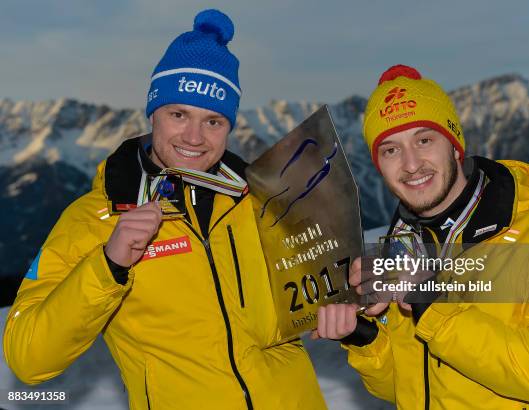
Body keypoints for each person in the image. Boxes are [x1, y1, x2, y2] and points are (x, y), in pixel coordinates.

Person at [3, 9, 326, 410]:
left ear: (229, 127)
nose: (194, 137)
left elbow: (319, 294)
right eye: (179, 115)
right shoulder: (96, 218)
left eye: (213, 121)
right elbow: (28, 357)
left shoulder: (265, 200)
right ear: (153, 113)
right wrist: (109, 265)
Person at [315, 65, 529, 409]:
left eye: (424, 140)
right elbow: (409, 385)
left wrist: (433, 305)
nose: (410, 164)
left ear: (454, 147)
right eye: (391, 150)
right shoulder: (403, 246)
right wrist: (364, 336)